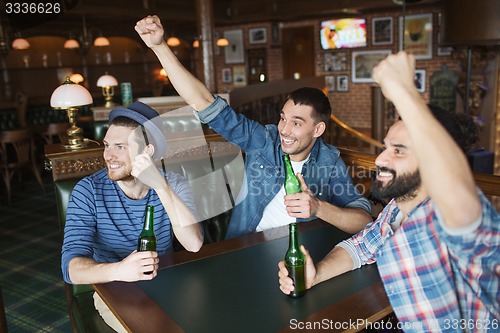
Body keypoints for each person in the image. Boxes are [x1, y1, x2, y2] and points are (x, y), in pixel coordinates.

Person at [278, 51, 500, 331]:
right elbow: (359, 247)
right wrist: (316, 274)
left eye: (399, 151)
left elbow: (455, 188)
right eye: (386, 147)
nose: (381, 159)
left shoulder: (455, 217)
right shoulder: (395, 212)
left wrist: (405, 92)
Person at [135, 15, 372, 239]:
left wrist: (318, 207)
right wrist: (159, 47)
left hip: (298, 252)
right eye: (283, 118)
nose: (284, 129)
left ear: (318, 130)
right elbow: (205, 104)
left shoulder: (329, 162)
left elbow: (363, 219)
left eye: (297, 123)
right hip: (246, 248)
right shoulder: (265, 140)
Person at [61, 101, 203, 332]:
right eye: (107, 145)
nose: (108, 155)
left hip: (170, 282)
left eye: (120, 146)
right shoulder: (88, 191)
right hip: (115, 290)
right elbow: (71, 268)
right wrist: (120, 270)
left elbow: (194, 243)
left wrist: (161, 186)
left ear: (147, 151)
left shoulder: (174, 183)